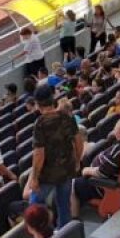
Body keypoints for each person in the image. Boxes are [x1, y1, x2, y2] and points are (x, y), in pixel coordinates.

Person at [29, 84, 82, 226]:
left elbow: (39, 154)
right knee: (64, 205)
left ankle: (41, 234)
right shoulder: (67, 117)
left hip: (48, 174)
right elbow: (78, 140)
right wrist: (77, 160)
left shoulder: (40, 124)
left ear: (38, 104)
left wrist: (34, 178)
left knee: (34, 206)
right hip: (67, 168)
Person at [71, 115, 120, 213]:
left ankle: (74, 218)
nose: (114, 129)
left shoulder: (117, 151)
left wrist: (87, 170)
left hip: (101, 185)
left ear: (119, 131)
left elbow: (102, 173)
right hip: (110, 178)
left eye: (115, 127)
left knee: (73, 184)